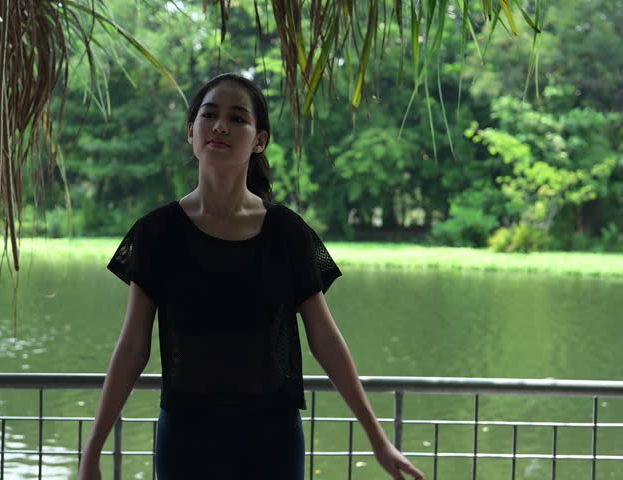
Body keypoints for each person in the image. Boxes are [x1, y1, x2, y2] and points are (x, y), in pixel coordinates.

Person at [78, 73, 425, 480]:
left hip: (272, 438)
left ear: (259, 140)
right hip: (187, 438)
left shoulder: (287, 232)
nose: (221, 126)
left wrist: (378, 440)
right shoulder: (157, 232)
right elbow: (133, 347)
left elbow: (326, 340)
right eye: (209, 115)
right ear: (191, 132)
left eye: (238, 118)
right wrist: (93, 451)